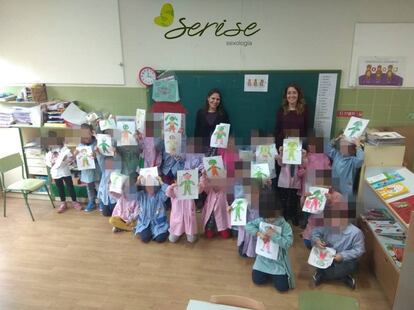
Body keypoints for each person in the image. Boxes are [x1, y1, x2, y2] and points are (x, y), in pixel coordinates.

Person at [245, 189, 295, 292]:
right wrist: (259, 233)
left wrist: (274, 235)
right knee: (257, 280)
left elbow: (288, 243)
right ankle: (268, 274)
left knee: (283, 288)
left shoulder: (284, 225)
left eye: (272, 216)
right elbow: (248, 226)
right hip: (262, 260)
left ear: (278, 211)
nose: (269, 220)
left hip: (278, 262)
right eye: (266, 217)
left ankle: (275, 275)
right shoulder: (262, 220)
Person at [311, 215, 365, 289]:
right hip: (327, 255)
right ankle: (321, 273)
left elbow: (359, 250)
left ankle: (344, 276)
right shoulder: (327, 225)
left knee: (350, 266)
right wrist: (317, 240)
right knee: (317, 257)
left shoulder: (356, 232)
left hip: (344, 260)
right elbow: (315, 233)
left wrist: (343, 256)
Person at [325, 133, 364, 216]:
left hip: (345, 190)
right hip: (334, 186)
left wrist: (358, 145)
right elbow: (327, 148)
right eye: (342, 146)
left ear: (353, 150)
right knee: (333, 205)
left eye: (346, 147)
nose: (343, 148)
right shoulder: (337, 155)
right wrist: (336, 139)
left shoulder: (353, 161)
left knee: (344, 207)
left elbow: (361, 159)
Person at [44, 135, 81, 213]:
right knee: (60, 188)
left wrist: (66, 159)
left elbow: (70, 159)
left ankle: (74, 201)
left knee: (70, 187)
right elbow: (47, 162)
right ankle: (63, 203)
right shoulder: (48, 151)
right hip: (55, 172)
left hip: (65, 171)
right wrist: (51, 163)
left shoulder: (64, 149)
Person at [134, 175, 169, 243]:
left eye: (152, 186)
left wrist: (161, 181)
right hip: (144, 223)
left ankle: (156, 232)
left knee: (160, 239)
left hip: (158, 224)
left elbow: (168, 191)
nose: (150, 188)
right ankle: (148, 232)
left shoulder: (160, 195)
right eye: (148, 186)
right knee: (145, 238)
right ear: (145, 187)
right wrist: (138, 182)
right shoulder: (141, 195)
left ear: (156, 186)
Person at [194, 89, 230, 155]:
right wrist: (197, 148)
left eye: (218, 99)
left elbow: (227, 133)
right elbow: (197, 131)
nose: (215, 101)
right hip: (203, 147)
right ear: (208, 98)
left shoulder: (223, 114)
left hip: (218, 148)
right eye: (213, 98)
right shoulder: (200, 113)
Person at [74, 123, 101, 212]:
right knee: (89, 187)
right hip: (87, 170)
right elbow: (77, 156)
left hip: (96, 169)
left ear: (92, 133)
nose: (87, 137)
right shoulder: (80, 145)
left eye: (88, 134)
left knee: (98, 186)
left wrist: (96, 154)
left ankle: (101, 202)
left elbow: (102, 154)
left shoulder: (97, 142)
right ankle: (91, 202)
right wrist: (75, 155)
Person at [274, 84, 308, 149]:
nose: (291, 95)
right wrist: (278, 146)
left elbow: (305, 130)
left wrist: (304, 148)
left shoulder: (304, 110)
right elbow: (277, 131)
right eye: (289, 93)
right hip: (283, 146)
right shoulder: (281, 110)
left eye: (294, 93)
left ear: (298, 95)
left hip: (298, 147)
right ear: (286, 96)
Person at [200, 172, 232, 239]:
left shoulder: (224, 190)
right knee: (209, 235)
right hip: (211, 214)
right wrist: (203, 176)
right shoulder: (209, 190)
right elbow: (204, 184)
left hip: (221, 214)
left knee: (225, 235)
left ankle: (222, 229)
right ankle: (210, 230)